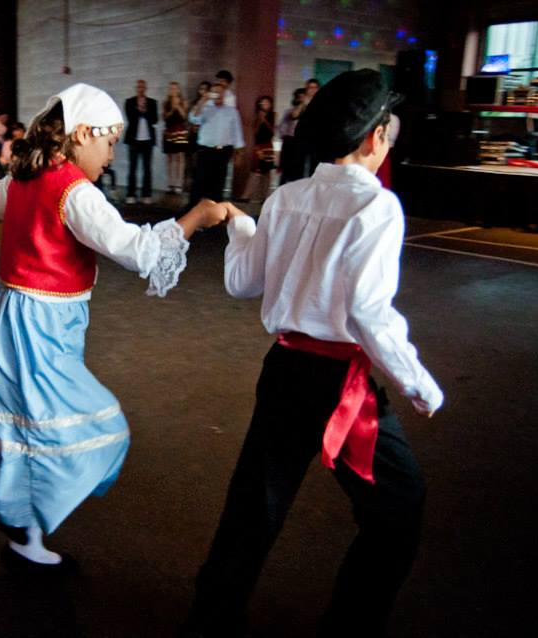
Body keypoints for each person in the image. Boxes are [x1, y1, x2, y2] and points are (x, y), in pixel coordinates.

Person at [0, 83, 227, 570]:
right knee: (87, 423)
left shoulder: (23, 180)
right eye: (109, 141)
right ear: (80, 134)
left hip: (16, 317)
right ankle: (18, 519)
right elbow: (136, 250)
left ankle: (23, 529)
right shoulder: (75, 192)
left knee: (30, 426)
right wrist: (197, 216)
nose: (112, 153)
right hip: (38, 326)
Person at [182, 69, 443, 638]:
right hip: (337, 383)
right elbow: (369, 314)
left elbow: (242, 284)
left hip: (283, 371)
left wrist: (244, 229)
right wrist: (419, 383)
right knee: (399, 507)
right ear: (373, 137)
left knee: (254, 506)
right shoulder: (376, 207)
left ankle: (210, 620)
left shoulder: (285, 198)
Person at [188, 80, 244, 205]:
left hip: (223, 151)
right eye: (215, 92)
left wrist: (239, 153)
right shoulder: (205, 108)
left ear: (224, 95)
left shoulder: (232, 111)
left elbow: (237, 132)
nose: (218, 95)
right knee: (199, 181)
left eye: (221, 93)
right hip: (205, 150)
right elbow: (194, 118)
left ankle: (214, 213)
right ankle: (191, 210)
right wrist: (203, 100)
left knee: (218, 182)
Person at [123, 79, 158, 204]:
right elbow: (130, 118)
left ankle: (146, 194)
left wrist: (145, 111)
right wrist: (139, 109)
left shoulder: (152, 102)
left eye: (143, 86)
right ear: (136, 88)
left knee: (147, 168)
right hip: (133, 140)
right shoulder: (129, 102)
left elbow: (155, 120)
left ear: (146, 88)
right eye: (138, 86)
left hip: (147, 140)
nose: (141, 89)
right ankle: (131, 194)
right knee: (132, 168)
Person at [243, 95, 276, 203]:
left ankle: (265, 197)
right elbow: (255, 132)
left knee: (266, 173)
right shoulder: (257, 116)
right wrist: (260, 119)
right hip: (259, 147)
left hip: (268, 146)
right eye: (263, 103)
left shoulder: (273, 115)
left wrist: (265, 120)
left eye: (267, 103)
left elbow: (272, 132)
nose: (265, 105)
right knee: (255, 171)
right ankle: (247, 195)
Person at [162, 81, 189, 194]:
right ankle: (170, 183)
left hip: (180, 131)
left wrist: (178, 106)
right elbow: (164, 117)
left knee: (180, 157)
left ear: (178, 90)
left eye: (175, 88)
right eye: (171, 88)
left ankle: (178, 184)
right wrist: (172, 108)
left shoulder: (184, 102)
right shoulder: (165, 103)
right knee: (170, 158)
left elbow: (184, 117)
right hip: (169, 131)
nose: (173, 90)